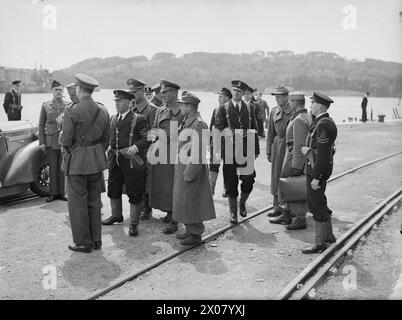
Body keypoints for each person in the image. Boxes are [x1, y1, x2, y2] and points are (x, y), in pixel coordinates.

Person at [60, 73, 110, 253]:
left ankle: (83, 242)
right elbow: (106, 140)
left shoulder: (72, 110)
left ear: (80, 90)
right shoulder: (103, 109)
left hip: (77, 163)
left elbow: (65, 140)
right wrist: (94, 151)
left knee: (77, 203)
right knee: (94, 201)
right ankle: (96, 240)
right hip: (96, 162)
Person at [102, 90, 150, 236]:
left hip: (133, 163)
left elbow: (148, 137)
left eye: (120, 101)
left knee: (135, 192)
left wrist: (135, 147)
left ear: (129, 103)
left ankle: (134, 224)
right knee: (113, 188)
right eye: (115, 101)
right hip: (115, 161)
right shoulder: (113, 118)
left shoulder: (139, 119)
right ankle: (117, 215)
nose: (116, 103)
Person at [173, 92, 216, 245]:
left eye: (183, 105)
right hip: (183, 165)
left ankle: (196, 233)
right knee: (184, 201)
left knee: (192, 201)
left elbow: (199, 152)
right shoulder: (187, 122)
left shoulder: (199, 124)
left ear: (190, 107)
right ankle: (189, 229)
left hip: (192, 168)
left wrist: (190, 172)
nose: (181, 107)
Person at [214, 80, 260, 224]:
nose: (236, 93)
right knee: (230, 181)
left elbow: (254, 128)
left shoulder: (250, 108)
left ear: (244, 93)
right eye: (234, 90)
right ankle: (233, 212)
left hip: (246, 149)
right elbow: (218, 130)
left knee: (248, 180)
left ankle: (242, 203)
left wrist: (256, 149)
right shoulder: (223, 108)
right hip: (229, 150)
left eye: (239, 91)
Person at [270, 92, 312, 229]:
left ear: (294, 102)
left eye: (291, 102)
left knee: (294, 187)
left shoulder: (299, 119)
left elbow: (299, 145)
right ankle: (287, 213)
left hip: (293, 157)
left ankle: (300, 219)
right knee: (289, 187)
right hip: (294, 156)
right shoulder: (306, 116)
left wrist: (296, 166)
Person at [302, 92, 337, 254]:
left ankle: (319, 243)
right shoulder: (323, 122)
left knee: (315, 205)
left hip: (318, 169)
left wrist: (316, 177)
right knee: (320, 200)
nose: (311, 105)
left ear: (321, 106)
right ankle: (328, 236)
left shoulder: (323, 124)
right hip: (318, 167)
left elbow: (323, 154)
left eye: (313, 103)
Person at [149, 80, 184, 234]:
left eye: (165, 92)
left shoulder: (184, 109)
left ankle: (175, 219)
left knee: (176, 186)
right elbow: (155, 129)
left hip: (178, 153)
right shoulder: (161, 109)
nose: (162, 94)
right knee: (165, 186)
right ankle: (170, 213)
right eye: (161, 92)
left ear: (174, 93)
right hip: (163, 153)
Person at [126, 78, 157, 220]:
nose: (131, 95)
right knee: (135, 182)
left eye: (134, 92)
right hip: (133, 152)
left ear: (142, 92)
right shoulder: (131, 109)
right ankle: (139, 208)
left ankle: (147, 208)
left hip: (146, 152)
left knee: (147, 181)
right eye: (130, 92)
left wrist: (142, 147)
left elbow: (153, 134)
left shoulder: (152, 110)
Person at [38, 80, 68, 202]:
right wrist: (42, 142)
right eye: (56, 90)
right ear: (52, 91)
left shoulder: (68, 105)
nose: (58, 92)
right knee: (52, 167)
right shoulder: (45, 106)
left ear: (63, 91)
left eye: (60, 90)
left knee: (62, 168)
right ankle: (53, 193)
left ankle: (62, 193)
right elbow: (41, 125)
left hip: (63, 142)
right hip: (50, 141)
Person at [266, 85, 292, 217]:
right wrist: (268, 151)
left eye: (279, 96)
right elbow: (270, 133)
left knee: (288, 176)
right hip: (277, 145)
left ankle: (289, 208)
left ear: (287, 97)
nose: (276, 99)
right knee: (275, 176)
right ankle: (276, 206)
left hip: (288, 147)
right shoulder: (273, 111)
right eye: (275, 96)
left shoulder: (293, 111)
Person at [208, 87, 231, 197]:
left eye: (221, 97)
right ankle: (211, 188)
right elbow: (211, 126)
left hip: (229, 143)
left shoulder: (232, 111)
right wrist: (209, 141)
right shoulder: (215, 110)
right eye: (219, 97)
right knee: (213, 165)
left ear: (227, 98)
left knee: (228, 166)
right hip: (216, 142)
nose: (219, 99)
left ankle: (227, 189)